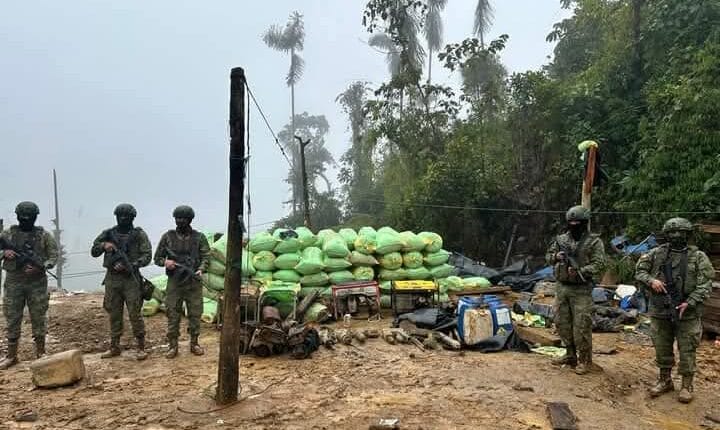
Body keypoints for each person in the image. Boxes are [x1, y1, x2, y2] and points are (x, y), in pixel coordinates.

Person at [635, 217, 715, 403]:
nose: (676, 235)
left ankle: (687, 385)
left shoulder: (698, 257)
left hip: (687, 312)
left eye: (681, 232)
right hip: (660, 309)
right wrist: (651, 281)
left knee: (687, 349)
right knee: (662, 347)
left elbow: (706, 284)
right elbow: (640, 272)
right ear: (666, 234)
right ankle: (665, 380)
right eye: (672, 232)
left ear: (688, 234)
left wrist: (691, 302)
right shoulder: (655, 254)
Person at [545, 205, 606, 375]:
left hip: (581, 289)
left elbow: (600, 263)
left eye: (577, 223)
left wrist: (582, 270)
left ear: (584, 223)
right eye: (571, 222)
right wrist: (556, 257)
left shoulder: (594, 241)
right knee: (561, 322)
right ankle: (570, 354)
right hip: (562, 287)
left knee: (581, 325)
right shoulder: (561, 240)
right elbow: (548, 257)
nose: (574, 225)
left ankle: (585, 360)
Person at [0, 202, 58, 369]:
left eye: (29, 218)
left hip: (37, 282)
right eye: (22, 218)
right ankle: (11, 355)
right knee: (12, 317)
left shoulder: (44, 236)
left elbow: (53, 256)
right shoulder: (8, 234)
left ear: (35, 217)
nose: (26, 221)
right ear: (17, 216)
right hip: (14, 281)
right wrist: (5, 253)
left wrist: (43, 266)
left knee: (39, 316)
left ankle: (41, 352)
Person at [91, 204, 152, 360]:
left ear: (132, 217)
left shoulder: (139, 235)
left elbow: (147, 255)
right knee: (114, 313)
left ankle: (140, 346)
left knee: (134, 313)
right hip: (113, 279)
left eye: (126, 216)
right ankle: (114, 346)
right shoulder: (108, 234)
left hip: (131, 278)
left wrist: (133, 264)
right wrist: (105, 245)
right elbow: (94, 251)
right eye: (120, 215)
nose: (123, 218)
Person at [153, 205, 209, 359]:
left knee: (195, 313)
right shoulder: (168, 237)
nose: (180, 221)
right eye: (177, 218)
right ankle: (173, 346)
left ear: (190, 219)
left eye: (183, 218)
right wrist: (166, 262)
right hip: (175, 282)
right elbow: (157, 258)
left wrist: (201, 269)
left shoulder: (199, 237)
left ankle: (194, 343)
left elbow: (206, 256)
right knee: (172, 312)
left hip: (192, 281)